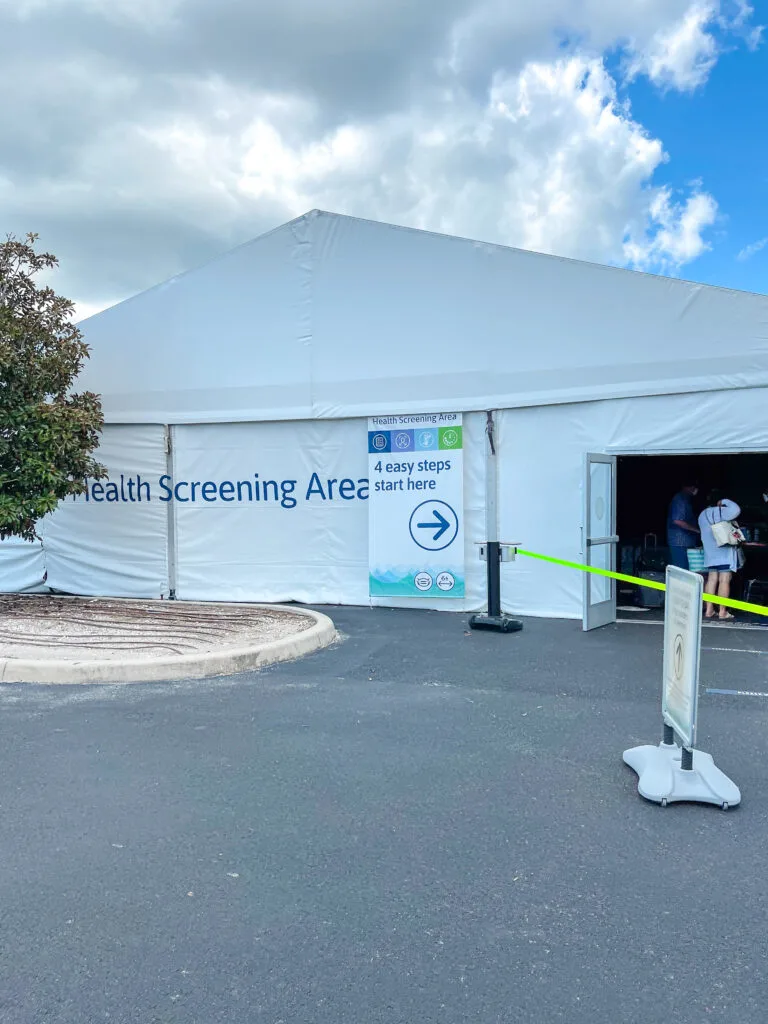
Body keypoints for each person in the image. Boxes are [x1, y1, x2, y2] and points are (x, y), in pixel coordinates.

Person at [698, 491, 741, 621]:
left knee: (711, 579)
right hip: (723, 550)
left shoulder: (702, 514)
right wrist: (725, 502)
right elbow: (736, 509)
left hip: (710, 552)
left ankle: (709, 609)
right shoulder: (722, 511)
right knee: (724, 580)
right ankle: (722, 611)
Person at [666, 482, 700, 569]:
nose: (694, 490)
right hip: (680, 542)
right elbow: (678, 521)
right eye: (692, 487)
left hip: (685, 541)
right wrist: (697, 531)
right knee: (681, 570)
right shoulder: (680, 499)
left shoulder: (686, 499)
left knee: (686, 570)